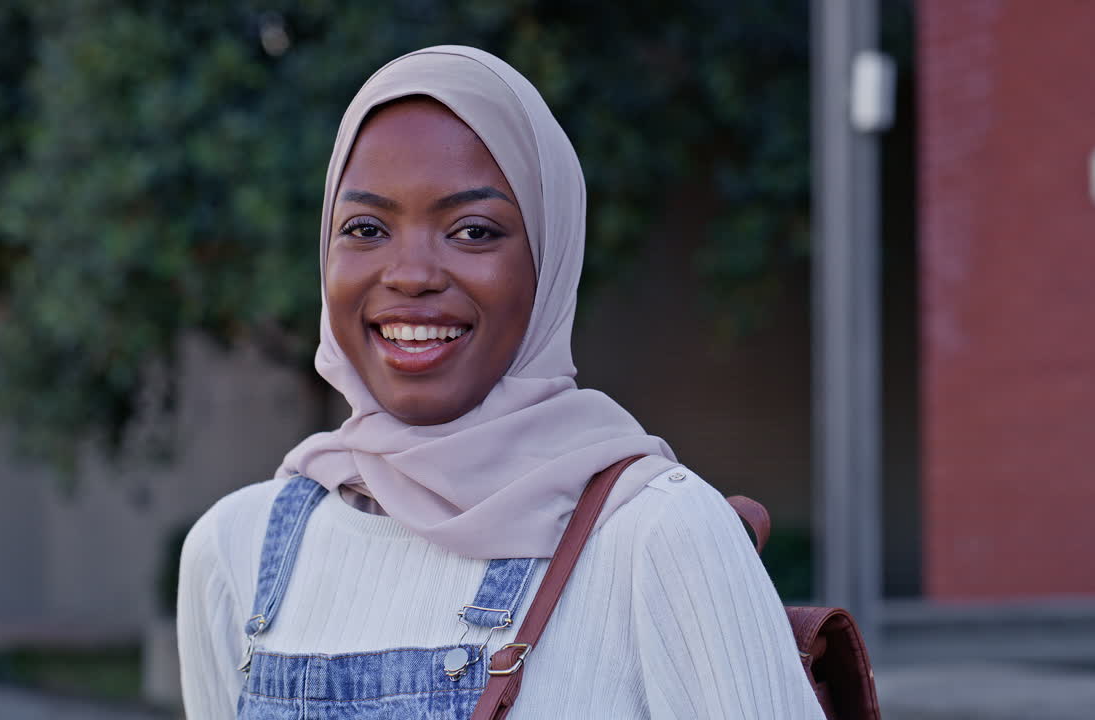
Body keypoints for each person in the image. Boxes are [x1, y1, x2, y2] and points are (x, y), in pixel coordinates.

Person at [177, 45, 825, 719]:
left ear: (549, 259)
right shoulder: (237, 553)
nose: (411, 274)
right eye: (366, 228)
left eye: (473, 230)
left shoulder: (657, 534)